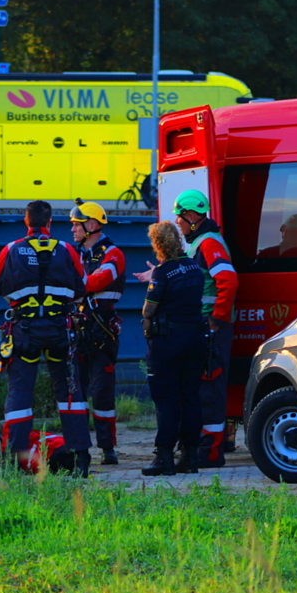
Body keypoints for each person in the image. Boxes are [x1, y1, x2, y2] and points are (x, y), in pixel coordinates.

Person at [0, 200, 93, 477]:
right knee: (70, 392)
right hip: (60, 330)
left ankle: (15, 458)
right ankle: (81, 458)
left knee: (20, 393)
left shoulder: (11, 250)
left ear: (26, 222)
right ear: (49, 224)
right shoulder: (67, 249)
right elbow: (82, 287)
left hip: (24, 332)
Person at [137, 189, 239, 467]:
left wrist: (216, 319)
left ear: (193, 216)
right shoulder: (197, 244)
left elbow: (227, 281)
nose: (178, 222)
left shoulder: (208, 244)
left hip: (209, 327)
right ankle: (196, 451)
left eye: (180, 217)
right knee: (195, 392)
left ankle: (210, 450)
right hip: (199, 329)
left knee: (208, 391)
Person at [140, 220, 206, 476]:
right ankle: (190, 456)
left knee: (166, 400)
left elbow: (149, 309)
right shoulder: (194, 266)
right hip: (195, 338)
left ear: (157, 244)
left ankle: (164, 457)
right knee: (190, 397)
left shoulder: (162, 272)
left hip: (167, 342)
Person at [70, 198, 125, 465]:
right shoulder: (74, 252)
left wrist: (73, 284)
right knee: (76, 391)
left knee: (102, 392)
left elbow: (99, 279)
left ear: (91, 225)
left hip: (102, 333)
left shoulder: (113, 253)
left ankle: (107, 448)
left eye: (76, 225)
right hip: (78, 332)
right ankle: (80, 447)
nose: (72, 230)